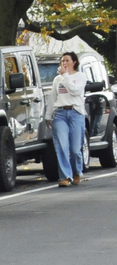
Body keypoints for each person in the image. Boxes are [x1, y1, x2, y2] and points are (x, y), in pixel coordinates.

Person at [51, 51, 87, 188]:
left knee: (75, 148)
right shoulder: (57, 80)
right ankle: (65, 176)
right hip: (60, 113)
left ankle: (77, 171)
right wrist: (49, 116)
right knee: (62, 146)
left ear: (74, 62)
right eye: (62, 61)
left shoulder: (80, 76)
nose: (64, 63)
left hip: (76, 113)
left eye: (67, 60)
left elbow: (75, 91)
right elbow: (53, 98)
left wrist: (65, 76)